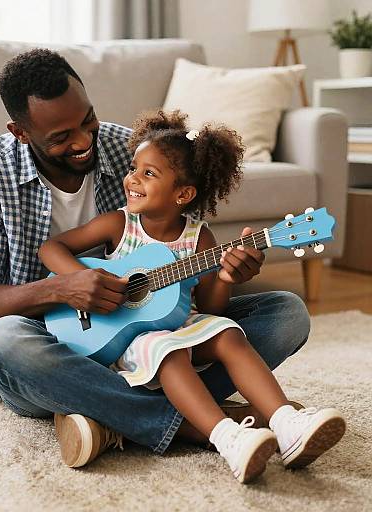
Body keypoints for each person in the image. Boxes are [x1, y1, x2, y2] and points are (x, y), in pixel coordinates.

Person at [0, 48, 313, 472]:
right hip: (56, 342)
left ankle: (110, 418)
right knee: (2, 342)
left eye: (87, 120)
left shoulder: (131, 151)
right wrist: (62, 286)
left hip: (152, 336)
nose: (83, 141)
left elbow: (184, 247)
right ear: (21, 132)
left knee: (286, 313)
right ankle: (202, 424)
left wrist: (229, 273)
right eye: (61, 137)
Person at [38, 110, 345, 483]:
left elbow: (212, 307)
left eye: (148, 174)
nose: (132, 178)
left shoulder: (199, 239)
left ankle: (287, 422)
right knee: (170, 353)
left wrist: (228, 277)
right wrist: (85, 280)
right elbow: (52, 248)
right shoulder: (118, 224)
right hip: (131, 339)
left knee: (229, 332)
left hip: (181, 326)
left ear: (182, 194)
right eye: (134, 168)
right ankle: (227, 436)